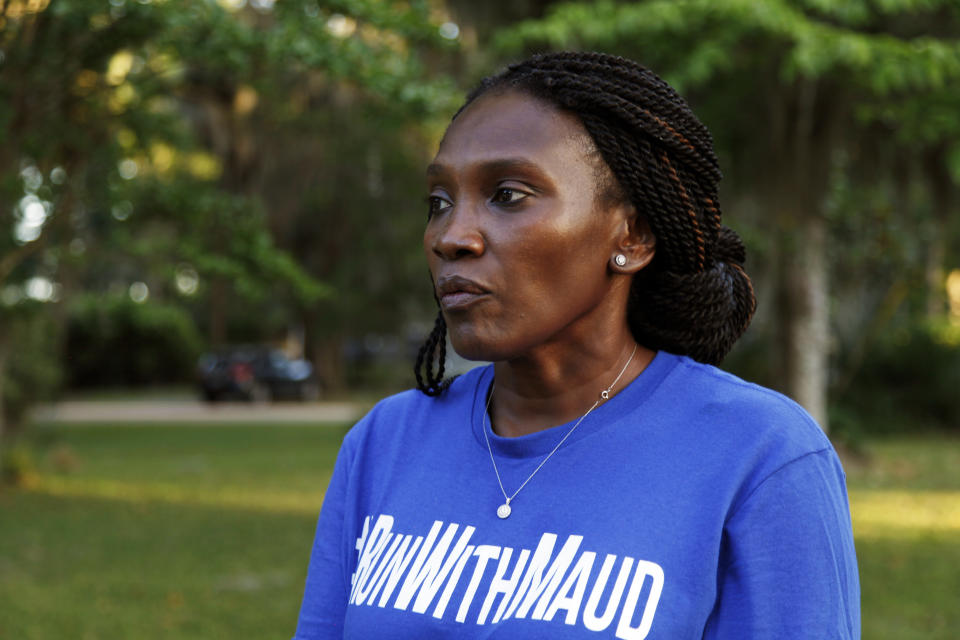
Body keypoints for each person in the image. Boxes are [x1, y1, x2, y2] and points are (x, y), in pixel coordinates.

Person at [292, 51, 860, 639]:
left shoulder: (759, 455)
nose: (451, 236)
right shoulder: (385, 442)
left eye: (508, 195)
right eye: (439, 202)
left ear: (633, 236)